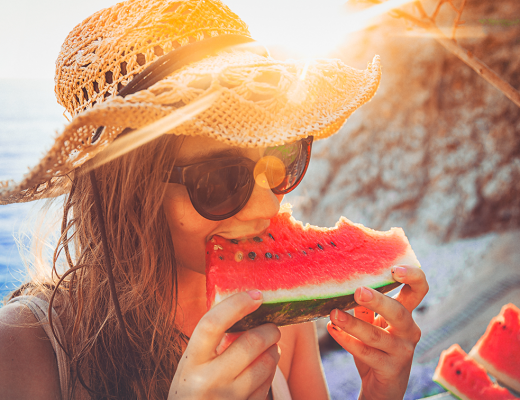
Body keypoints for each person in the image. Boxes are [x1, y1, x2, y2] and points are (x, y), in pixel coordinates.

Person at [0, 0, 428, 399]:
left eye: (281, 160)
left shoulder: (283, 322)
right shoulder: (20, 352)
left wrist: (377, 393)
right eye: (220, 179)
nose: (266, 207)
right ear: (129, 192)